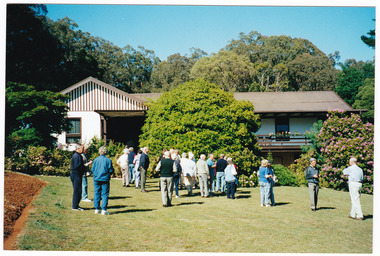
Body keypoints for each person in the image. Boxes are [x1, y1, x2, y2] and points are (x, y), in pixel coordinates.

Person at [92, 146, 114, 215]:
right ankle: (104, 209)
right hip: (105, 178)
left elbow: (93, 169)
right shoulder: (108, 160)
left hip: (97, 178)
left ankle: (97, 208)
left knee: (97, 193)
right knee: (104, 194)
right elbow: (110, 169)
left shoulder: (95, 160)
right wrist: (111, 173)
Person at [70, 144, 85, 211]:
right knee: (77, 191)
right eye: (82, 149)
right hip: (76, 175)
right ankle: (74, 206)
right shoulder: (77, 156)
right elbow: (77, 167)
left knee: (79, 191)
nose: (83, 150)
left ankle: (76, 205)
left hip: (77, 174)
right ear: (78, 149)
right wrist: (84, 168)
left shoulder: (78, 156)